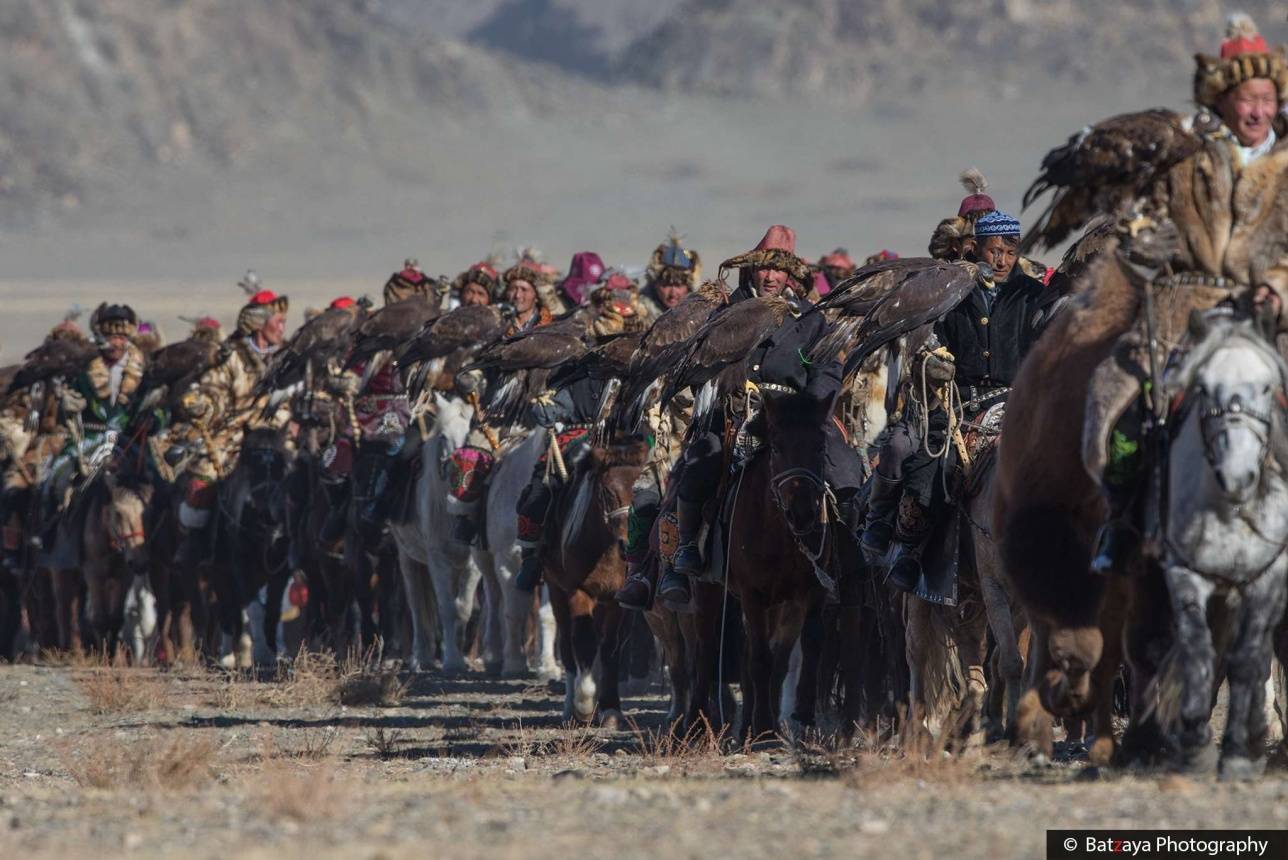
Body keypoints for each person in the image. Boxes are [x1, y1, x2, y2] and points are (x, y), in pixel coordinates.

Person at [861, 210, 1046, 593]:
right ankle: (909, 549)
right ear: (975, 248)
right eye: (994, 251)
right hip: (958, 406)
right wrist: (934, 363)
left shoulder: (1032, 294)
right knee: (933, 465)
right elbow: (925, 345)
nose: (1001, 261)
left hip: (1016, 406)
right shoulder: (951, 292)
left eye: (1010, 253)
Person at [172, 274, 290, 564]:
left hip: (280, 435)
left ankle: (303, 546)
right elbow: (212, 389)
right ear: (259, 324)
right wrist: (201, 403)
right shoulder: (230, 357)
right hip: (235, 435)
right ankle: (195, 543)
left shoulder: (290, 357)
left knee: (312, 477)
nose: (283, 326)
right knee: (202, 482)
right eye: (278, 320)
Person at [639, 234, 701, 319]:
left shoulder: (700, 314)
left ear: (688, 287)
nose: (673, 293)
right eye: (666, 285)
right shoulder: (639, 313)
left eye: (678, 285)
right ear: (655, 284)